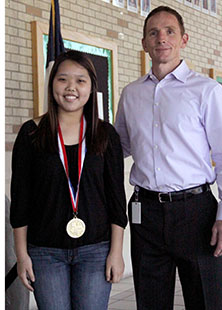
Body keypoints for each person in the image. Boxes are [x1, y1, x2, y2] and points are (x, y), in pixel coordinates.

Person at [115, 6, 222, 310]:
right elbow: (118, 147)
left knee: (206, 303)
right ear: (144, 43)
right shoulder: (131, 94)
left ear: (183, 39)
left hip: (196, 213)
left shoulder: (206, 91)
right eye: (153, 32)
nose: (162, 38)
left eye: (169, 31)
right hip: (145, 212)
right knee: (151, 303)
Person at [10, 50, 127, 310]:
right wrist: (22, 256)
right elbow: (20, 200)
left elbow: (116, 200)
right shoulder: (32, 134)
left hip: (96, 250)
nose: (71, 87)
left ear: (91, 88)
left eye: (80, 80)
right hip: (44, 252)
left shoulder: (105, 135)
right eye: (63, 79)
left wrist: (116, 252)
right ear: (52, 84)